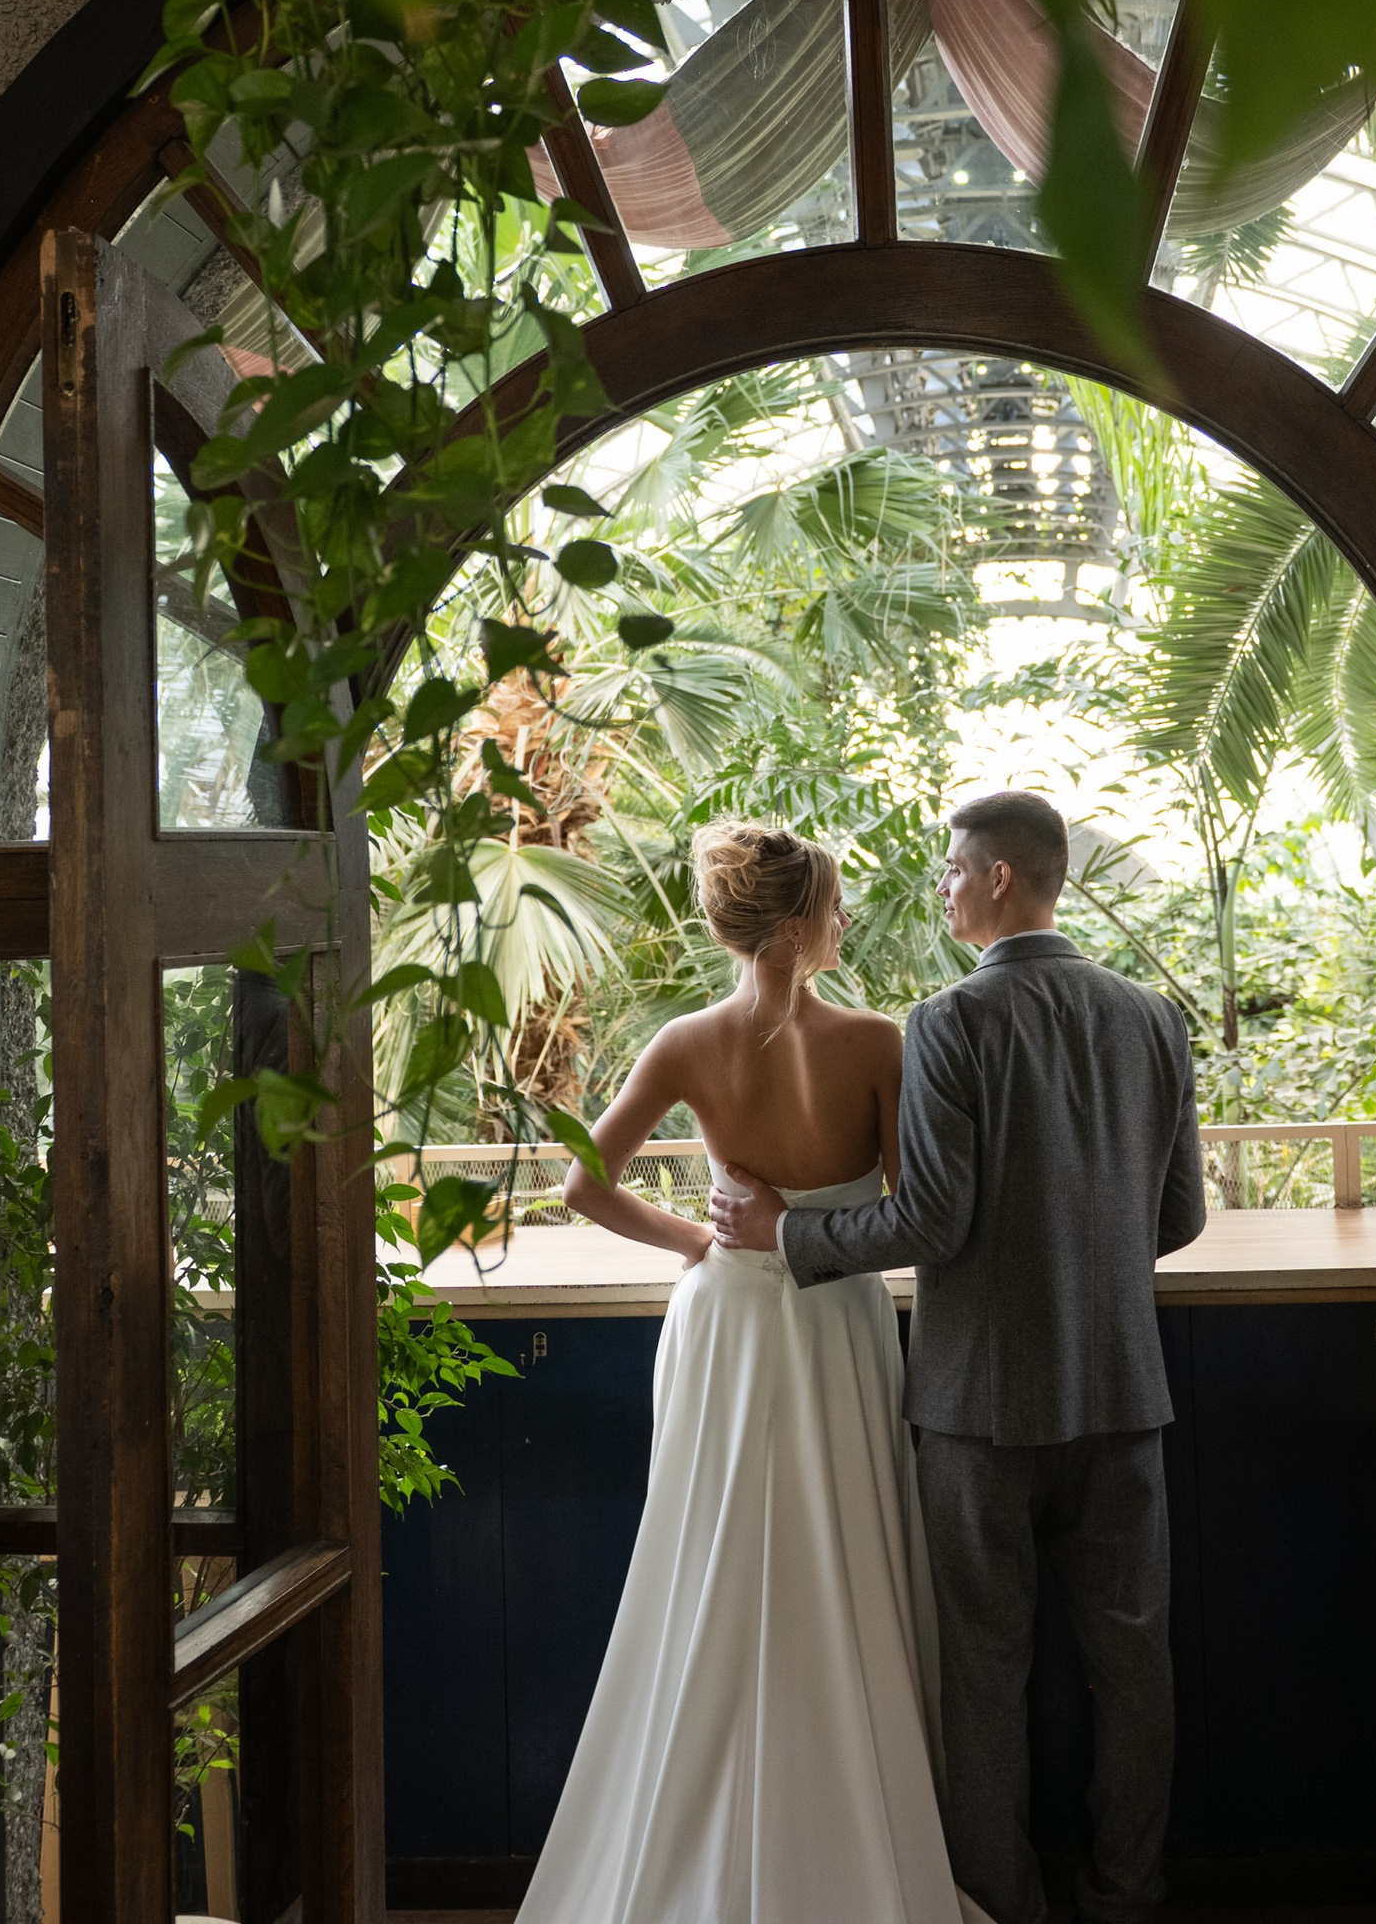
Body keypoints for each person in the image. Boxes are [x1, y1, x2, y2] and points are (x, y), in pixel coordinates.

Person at [712, 789, 1207, 1924]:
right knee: (1134, 1670)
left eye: (948, 871)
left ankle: (1000, 1906)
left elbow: (929, 1222)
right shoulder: (1153, 1017)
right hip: (1124, 1394)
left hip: (979, 1408)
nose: (937, 888)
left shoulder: (950, 1022)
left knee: (984, 1677)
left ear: (997, 879)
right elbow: (1175, 1217)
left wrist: (786, 1231)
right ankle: (1127, 1900)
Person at [515, 819, 988, 1924]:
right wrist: (792, 1231)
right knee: (841, 1548)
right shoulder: (880, 1041)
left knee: (711, 1555)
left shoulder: (685, 1041)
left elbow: (582, 1186)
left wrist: (702, 1242)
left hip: (726, 1315)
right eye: (831, 903)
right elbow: (911, 1218)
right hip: (833, 1317)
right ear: (793, 926)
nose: (844, 919)